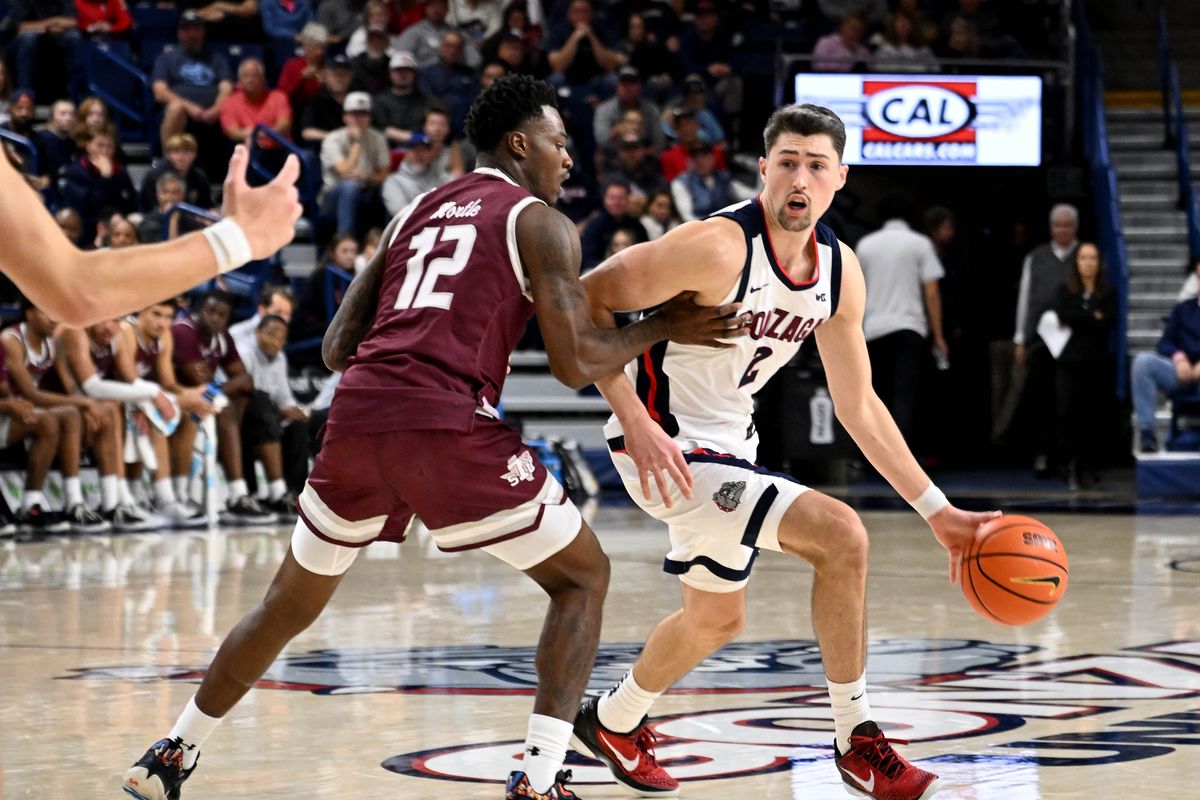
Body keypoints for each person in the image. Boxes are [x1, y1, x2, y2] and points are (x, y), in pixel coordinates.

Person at [122, 73, 744, 800]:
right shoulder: (538, 220)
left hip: (354, 418)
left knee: (285, 605)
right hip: (444, 419)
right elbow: (577, 362)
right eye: (558, 142)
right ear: (520, 144)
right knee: (581, 578)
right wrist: (663, 324)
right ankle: (539, 780)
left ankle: (173, 750)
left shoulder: (412, 209)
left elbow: (333, 348)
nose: (568, 158)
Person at [575, 103, 997, 800]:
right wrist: (630, 415)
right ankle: (855, 740)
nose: (801, 177)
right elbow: (582, 298)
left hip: (731, 446)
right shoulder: (715, 247)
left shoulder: (840, 271)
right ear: (765, 170)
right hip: (662, 444)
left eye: (817, 165)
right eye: (789, 162)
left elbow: (859, 406)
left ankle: (613, 722)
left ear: (840, 178)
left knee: (716, 617)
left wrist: (938, 511)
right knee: (842, 535)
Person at [2, 298, 116, 533]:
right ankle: (45, 503)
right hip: (14, 413)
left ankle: (93, 503)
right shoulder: (10, 340)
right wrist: (83, 403)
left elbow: (69, 386)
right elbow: (31, 393)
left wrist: (87, 407)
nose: (53, 318)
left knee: (97, 411)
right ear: (30, 313)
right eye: (46, 312)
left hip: (23, 411)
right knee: (61, 416)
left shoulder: (53, 341)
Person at [168, 290, 275, 523]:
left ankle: (270, 492)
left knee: (253, 402)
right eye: (210, 311)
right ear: (199, 311)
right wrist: (223, 386)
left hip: (200, 404)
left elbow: (246, 381)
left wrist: (220, 386)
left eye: (222, 315)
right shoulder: (183, 332)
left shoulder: (222, 337)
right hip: (174, 400)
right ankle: (237, 494)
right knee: (226, 407)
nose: (215, 318)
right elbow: (202, 384)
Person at [856, 193, 947, 448]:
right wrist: (938, 335)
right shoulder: (920, 244)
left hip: (873, 329)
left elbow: (857, 290)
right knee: (905, 394)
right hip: (909, 328)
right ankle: (902, 458)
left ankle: (874, 456)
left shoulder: (866, 245)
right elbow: (931, 292)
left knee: (877, 396)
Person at [115, 299, 213, 526]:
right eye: (156, 314)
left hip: (146, 399)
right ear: (141, 309)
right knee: (152, 417)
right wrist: (179, 398)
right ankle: (163, 498)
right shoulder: (127, 331)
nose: (162, 323)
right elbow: (127, 379)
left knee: (190, 415)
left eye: (168, 317)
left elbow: (169, 383)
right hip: (119, 398)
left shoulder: (164, 337)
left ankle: (179, 494)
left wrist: (193, 394)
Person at [1000, 203, 1079, 474]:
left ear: (1075, 228)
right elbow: (1025, 299)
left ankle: (1070, 456)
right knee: (1041, 400)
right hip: (1040, 340)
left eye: (1067, 225)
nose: (1062, 231)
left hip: (1074, 339)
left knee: (1069, 400)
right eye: (1058, 226)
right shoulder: (1036, 257)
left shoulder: (1083, 255)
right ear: (1050, 228)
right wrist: (1020, 338)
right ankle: (1043, 454)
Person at [1052, 242, 1115, 488]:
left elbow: (1105, 321)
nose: (1088, 263)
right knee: (1067, 413)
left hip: (1095, 362)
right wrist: (1091, 314)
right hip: (1069, 362)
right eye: (1083, 258)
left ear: (1099, 263)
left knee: (1092, 416)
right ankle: (1068, 465)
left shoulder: (1108, 292)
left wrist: (1083, 316)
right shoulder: (1065, 290)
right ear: (1076, 262)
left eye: (1093, 258)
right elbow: (1064, 315)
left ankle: (1089, 467)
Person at [238, 314, 309, 515]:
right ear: (257, 333)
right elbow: (250, 395)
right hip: (244, 417)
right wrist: (279, 410)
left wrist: (295, 410)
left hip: (268, 416)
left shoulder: (280, 358)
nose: (275, 341)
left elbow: (284, 397)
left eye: (280, 338)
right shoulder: (245, 353)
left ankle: (294, 493)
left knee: (298, 423)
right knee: (262, 404)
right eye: (270, 334)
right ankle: (276, 491)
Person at [1131, 289, 1200, 453]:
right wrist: (1179, 357)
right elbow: (1165, 343)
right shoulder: (1182, 309)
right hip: (1180, 371)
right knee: (1143, 362)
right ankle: (1147, 434)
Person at [320, 91, 390, 236]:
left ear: (369, 117)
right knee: (350, 186)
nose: (358, 118)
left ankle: (388, 243)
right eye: (354, 114)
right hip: (333, 195)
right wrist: (357, 142)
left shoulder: (378, 137)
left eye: (363, 114)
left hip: (366, 188)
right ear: (345, 117)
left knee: (390, 186)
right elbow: (344, 170)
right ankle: (345, 240)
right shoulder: (332, 139)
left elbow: (384, 172)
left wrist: (366, 178)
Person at [229, 283, 296, 358]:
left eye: (287, 314)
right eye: (278, 312)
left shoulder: (281, 339)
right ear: (262, 310)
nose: (284, 319)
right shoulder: (236, 334)